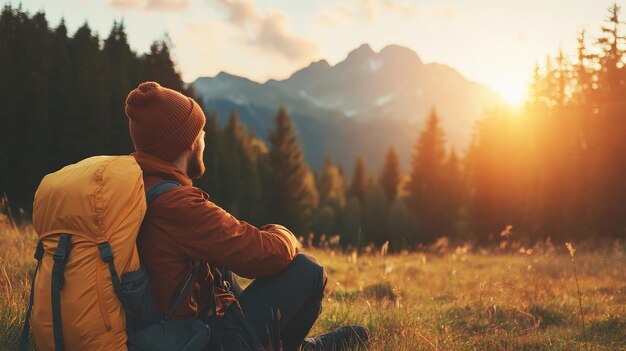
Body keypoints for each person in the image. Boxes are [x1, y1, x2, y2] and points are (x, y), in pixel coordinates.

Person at [125, 81, 370, 351]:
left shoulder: (135, 187)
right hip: (194, 341)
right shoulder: (177, 205)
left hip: (165, 333)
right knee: (308, 270)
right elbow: (265, 254)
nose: (205, 137)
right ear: (187, 143)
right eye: (200, 132)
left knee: (220, 267)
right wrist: (284, 233)